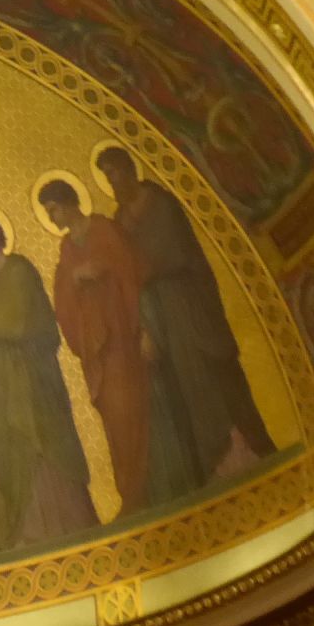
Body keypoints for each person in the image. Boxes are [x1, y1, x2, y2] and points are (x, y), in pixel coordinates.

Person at [96, 146, 273, 483]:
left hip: (187, 304)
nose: (113, 180)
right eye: (106, 175)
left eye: (115, 171)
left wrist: (131, 269)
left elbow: (172, 252)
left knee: (208, 374)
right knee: (185, 388)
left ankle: (244, 451)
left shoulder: (159, 203)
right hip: (160, 315)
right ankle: (215, 466)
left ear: (129, 169)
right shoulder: (119, 219)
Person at [40, 178, 200, 515]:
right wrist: (73, 279)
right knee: (116, 419)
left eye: (53, 209)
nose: (52, 217)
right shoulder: (68, 248)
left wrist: (145, 329)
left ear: (67, 203)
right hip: (101, 352)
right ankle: (131, 494)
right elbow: (64, 300)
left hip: (128, 340)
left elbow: (134, 276)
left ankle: (161, 489)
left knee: (144, 409)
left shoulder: (103, 231)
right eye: (47, 213)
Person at [0, 211, 97, 554]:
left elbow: (21, 319)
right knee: (8, 455)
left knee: (42, 447)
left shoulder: (19, 270)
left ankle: (67, 525)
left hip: (32, 381)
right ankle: (24, 533)